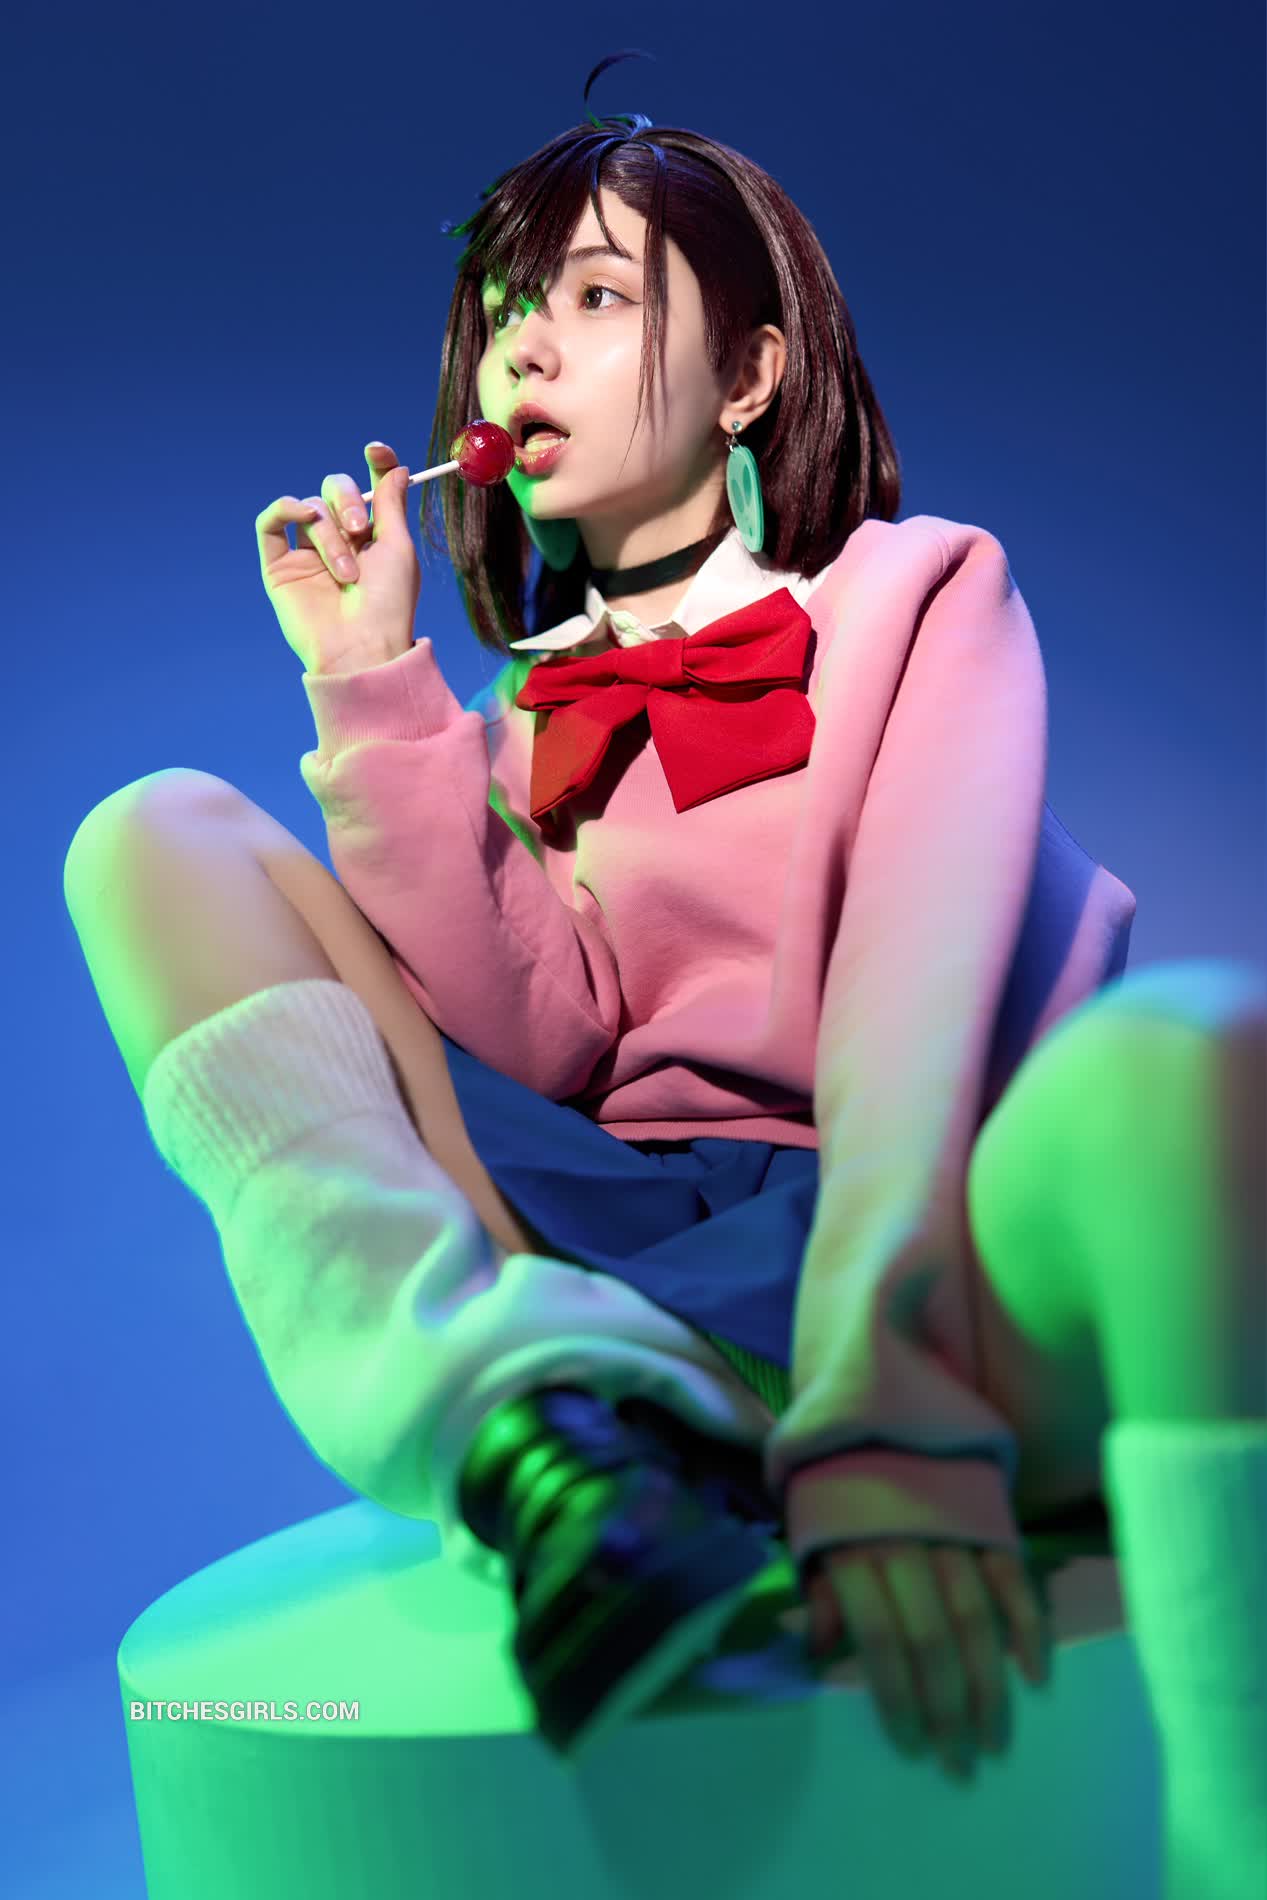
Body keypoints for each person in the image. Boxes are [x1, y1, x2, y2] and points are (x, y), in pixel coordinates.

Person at [64, 50, 1264, 1891]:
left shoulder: (917, 595)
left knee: (1196, 1054)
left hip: (923, 1249)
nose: (522, 353)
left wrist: (879, 1399)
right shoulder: (512, 717)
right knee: (152, 836)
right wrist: (374, 690)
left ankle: (1237, 1837)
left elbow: (919, 981)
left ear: (751, 375)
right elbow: (544, 1047)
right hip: (623, 1278)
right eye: (501, 317)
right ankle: (531, 1431)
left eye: (597, 298)